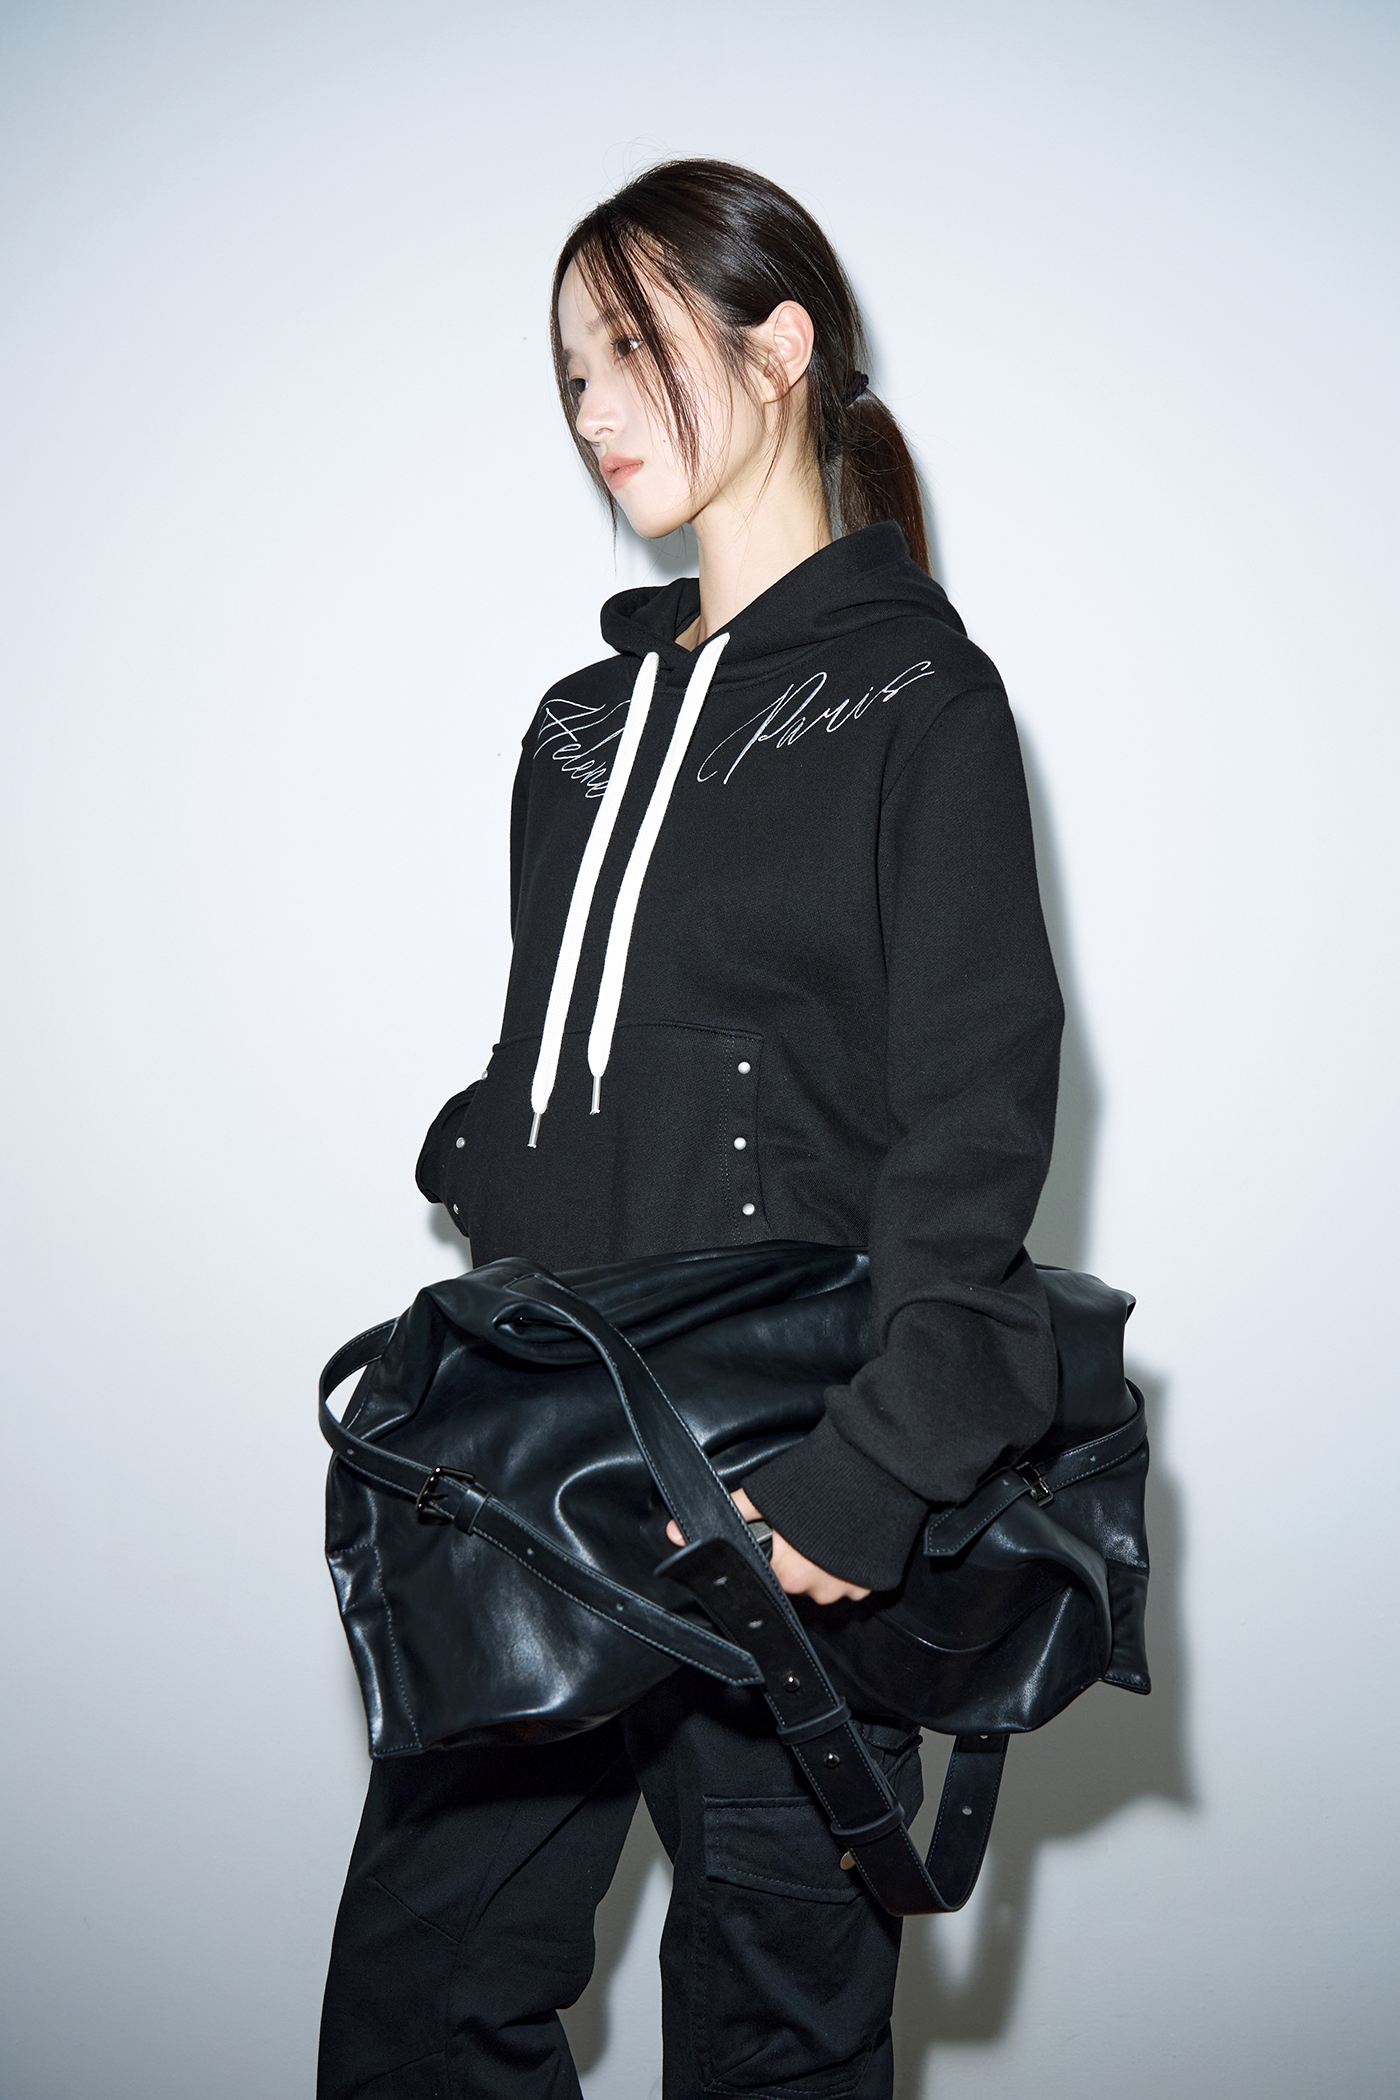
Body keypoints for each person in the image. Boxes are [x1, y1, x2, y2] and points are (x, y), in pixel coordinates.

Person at [318, 157, 1063, 2100]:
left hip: (781, 1476)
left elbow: (974, 1117)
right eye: (567, 371)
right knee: (415, 2009)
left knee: (772, 2047)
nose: (590, 406)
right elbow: (590, 1038)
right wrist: (490, 1143)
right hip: (539, 1458)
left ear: (780, 342)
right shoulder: (575, 728)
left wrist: (868, 1481)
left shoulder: (918, 695)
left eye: (627, 348)